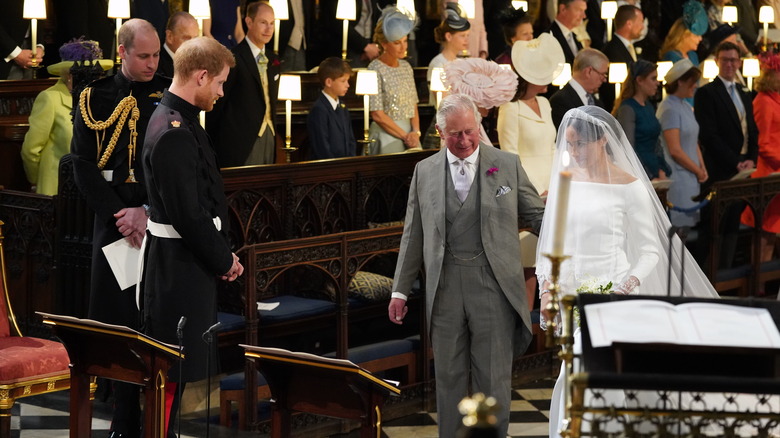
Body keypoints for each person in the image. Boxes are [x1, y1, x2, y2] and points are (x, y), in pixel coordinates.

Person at [537, 105, 719, 438]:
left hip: (615, 293)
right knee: (575, 371)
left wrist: (624, 287)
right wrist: (547, 289)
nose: (573, 151)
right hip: (573, 293)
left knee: (586, 373)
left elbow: (650, 249)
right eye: (570, 143)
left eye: (580, 144)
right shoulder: (565, 183)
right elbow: (551, 245)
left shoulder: (630, 186)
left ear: (603, 140)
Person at [389, 93, 545, 438]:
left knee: (493, 378)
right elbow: (412, 235)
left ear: (479, 126)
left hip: (493, 285)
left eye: (470, 132)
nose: (464, 141)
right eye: (455, 134)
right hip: (443, 288)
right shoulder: (424, 171)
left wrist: (575, 231)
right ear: (440, 134)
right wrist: (399, 290)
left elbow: (537, 216)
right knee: (448, 379)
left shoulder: (506, 164)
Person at [70, 18, 170, 438]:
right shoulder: (94, 95)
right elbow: (82, 166)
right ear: (123, 51)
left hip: (157, 221)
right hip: (113, 224)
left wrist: (146, 211)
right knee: (117, 321)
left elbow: (172, 166)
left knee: (155, 319)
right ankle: (123, 415)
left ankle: (157, 421)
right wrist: (121, 216)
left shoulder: (167, 92)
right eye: (143, 56)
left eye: (156, 55)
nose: (152, 63)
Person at [141, 36, 243, 437]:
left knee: (182, 373)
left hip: (185, 263)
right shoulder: (173, 130)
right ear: (201, 76)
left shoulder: (175, 119)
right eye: (218, 83)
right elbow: (188, 214)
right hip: (177, 269)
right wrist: (224, 259)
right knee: (171, 371)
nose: (220, 92)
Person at [497, 32, 564, 310]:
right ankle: (525, 328)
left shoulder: (546, 104)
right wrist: (533, 193)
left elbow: (553, 148)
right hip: (529, 191)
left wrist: (558, 185)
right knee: (528, 263)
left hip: (553, 186)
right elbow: (509, 156)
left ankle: (550, 327)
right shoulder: (510, 108)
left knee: (553, 261)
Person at [21, 39, 112, 196]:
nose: (94, 79)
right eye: (87, 74)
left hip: (93, 189)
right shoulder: (50, 98)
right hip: (57, 188)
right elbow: (31, 150)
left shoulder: (100, 98)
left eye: (97, 73)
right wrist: (36, 180)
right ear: (69, 75)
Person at [695, 41, 757, 267]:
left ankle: (727, 274)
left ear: (739, 62)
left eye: (733, 60)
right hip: (720, 170)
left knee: (733, 225)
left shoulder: (744, 91)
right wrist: (736, 161)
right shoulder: (707, 93)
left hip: (743, 169)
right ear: (717, 62)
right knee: (715, 228)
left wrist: (752, 158)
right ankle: (710, 278)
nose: (730, 64)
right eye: (725, 60)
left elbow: (752, 129)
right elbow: (709, 136)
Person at [207, 1, 280, 166]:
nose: (268, 29)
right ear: (249, 22)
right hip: (239, 141)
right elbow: (218, 105)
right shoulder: (234, 58)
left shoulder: (274, 59)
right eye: (263, 22)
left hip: (269, 135)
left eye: (272, 23)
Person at [658, 59, 707, 228]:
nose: (695, 86)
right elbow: (675, 150)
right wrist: (697, 170)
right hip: (679, 178)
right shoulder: (669, 109)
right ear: (679, 82)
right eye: (692, 82)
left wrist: (702, 167)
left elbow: (693, 140)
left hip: (691, 175)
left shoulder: (685, 106)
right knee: (679, 233)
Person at [742, 51, 780, 264]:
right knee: (764, 232)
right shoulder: (763, 102)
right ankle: (758, 285)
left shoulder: (775, 99)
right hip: (767, 173)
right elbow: (762, 143)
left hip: (776, 173)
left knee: (771, 231)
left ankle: (765, 283)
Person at [368, 6, 421, 154]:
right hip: (386, 134)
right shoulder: (375, 68)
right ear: (384, 44)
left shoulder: (406, 67)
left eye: (405, 41)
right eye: (397, 43)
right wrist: (405, 136)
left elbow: (413, 105)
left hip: (410, 135)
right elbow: (377, 114)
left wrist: (415, 133)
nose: (403, 47)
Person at [613, 59, 671, 180]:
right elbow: (629, 149)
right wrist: (647, 176)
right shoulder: (627, 108)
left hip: (654, 170)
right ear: (639, 80)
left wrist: (661, 169)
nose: (657, 83)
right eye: (653, 79)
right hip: (640, 173)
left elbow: (656, 143)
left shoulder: (648, 106)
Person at [306, 57, 357, 159]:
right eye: (343, 81)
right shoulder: (319, 110)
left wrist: (350, 161)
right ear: (329, 82)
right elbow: (322, 146)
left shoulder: (342, 107)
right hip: (328, 168)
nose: (347, 85)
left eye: (347, 81)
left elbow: (351, 140)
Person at [599, 4, 645, 112]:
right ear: (629, 24)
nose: (643, 26)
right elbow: (610, 89)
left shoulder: (630, 47)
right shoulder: (612, 50)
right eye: (641, 21)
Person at [550, 48, 609, 129]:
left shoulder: (597, 101)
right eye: (602, 74)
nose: (604, 79)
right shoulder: (560, 101)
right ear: (588, 71)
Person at [427, 2, 471, 104]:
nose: (466, 40)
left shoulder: (460, 62)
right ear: (449, 36)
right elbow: (442, 101)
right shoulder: (438, 64)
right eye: (462, 36)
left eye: (468, 35)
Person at [0, 2, 44, 79]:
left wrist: (39, 46)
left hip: (30, 48)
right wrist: (15, 52)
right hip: (4, 51)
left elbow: (37, 6)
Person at [659, 0, 708, 65]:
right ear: (684, 35)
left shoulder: (693, 56)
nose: (700, 39)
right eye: (696, 35)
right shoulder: (671, 57)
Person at [159, 11, 199, 78]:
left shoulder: (200, 60)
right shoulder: (156, 63)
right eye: (187, 38)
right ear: (170, 37)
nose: (192, 44)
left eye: (195, 38)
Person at [548, 0, 587, 65]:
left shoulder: (574, 36)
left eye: (584, 11)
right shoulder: (549, 36)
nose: (584, 16)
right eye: (579, 10)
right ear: (563, 9)